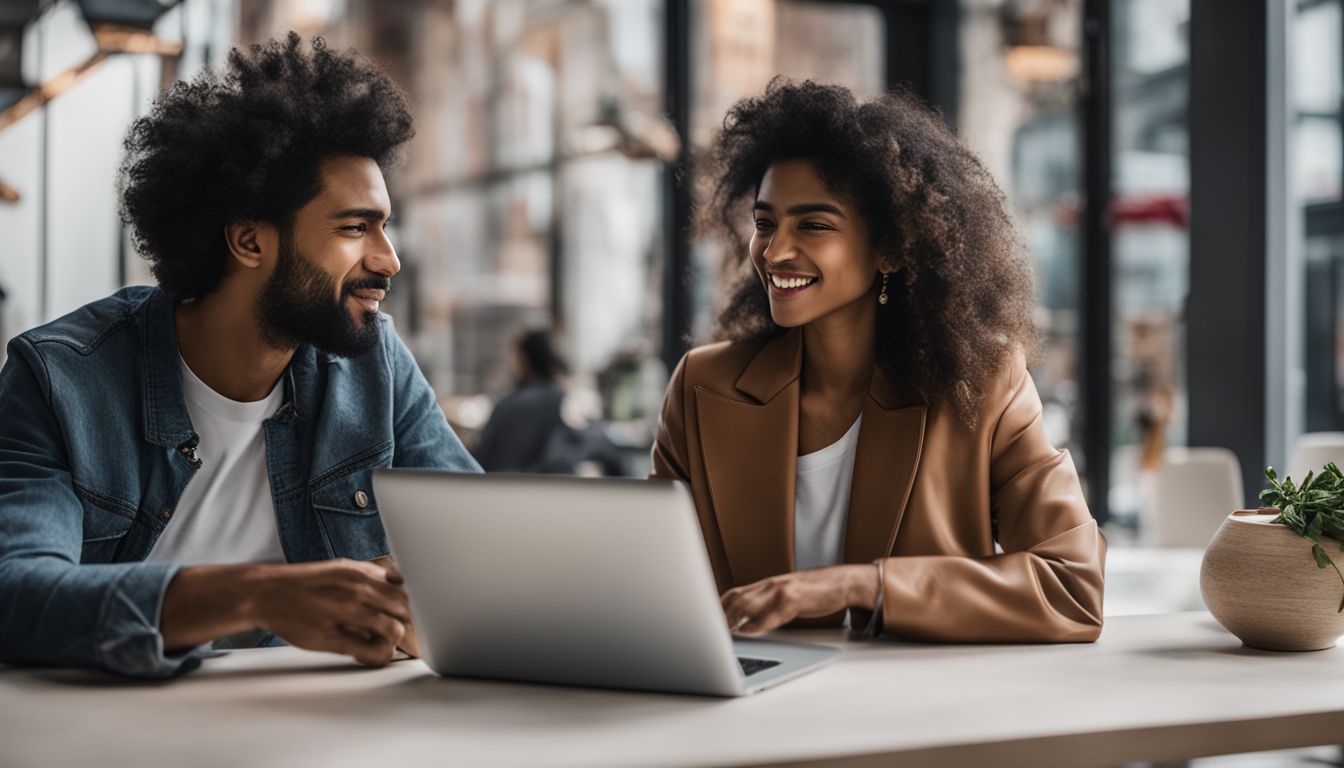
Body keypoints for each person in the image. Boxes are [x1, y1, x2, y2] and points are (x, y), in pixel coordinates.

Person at [0, 34, 480, 678]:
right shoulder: (61, 379)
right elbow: (17, 596)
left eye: (384, 226)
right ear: (250, 241)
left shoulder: (375, 367)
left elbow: (482, 555)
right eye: (353, 228)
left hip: (318, 728)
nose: (387, 259)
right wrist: (254, 594)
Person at [651, 79, 1105, 642]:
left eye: (813, 225)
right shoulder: (702, 388)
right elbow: (656, 584)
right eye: (765, 222)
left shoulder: (981, 386)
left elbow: (1073, 587)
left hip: (913, 714)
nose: (773, 251)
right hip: (744, 710)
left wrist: (860, 586)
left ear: (891, 246)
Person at [473, 329, 570, 472]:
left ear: (523, 361)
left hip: (506, 489)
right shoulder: (564, 402)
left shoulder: (508, 406)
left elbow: (483, 459)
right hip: (556, 490)